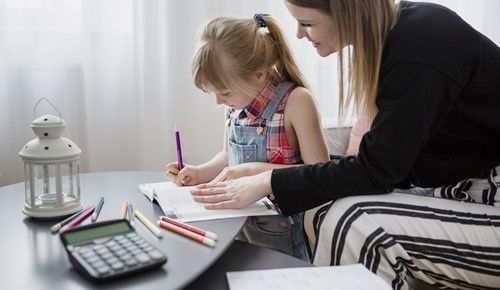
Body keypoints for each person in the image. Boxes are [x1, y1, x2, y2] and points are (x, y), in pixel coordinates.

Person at [191, 1, 500, 289]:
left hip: (490, 192)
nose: (299, 34)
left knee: (353, 222)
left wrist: (268, 179)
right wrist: (265, 173)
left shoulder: (421, 42)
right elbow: (385, 162)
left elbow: (377, 171)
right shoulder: (401, 37)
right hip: (467, 188)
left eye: (307, 23)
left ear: (345, 11)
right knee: (334, 206)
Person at [166, 15, 329, 260]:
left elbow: (321, 173)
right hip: (236, 223)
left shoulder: (296, 102)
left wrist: (255, 170)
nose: (218, 101)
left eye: (224, 92)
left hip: (280, 231)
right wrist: (199, 173)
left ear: (260, 75)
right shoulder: (236, 105)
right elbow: (227, 157)